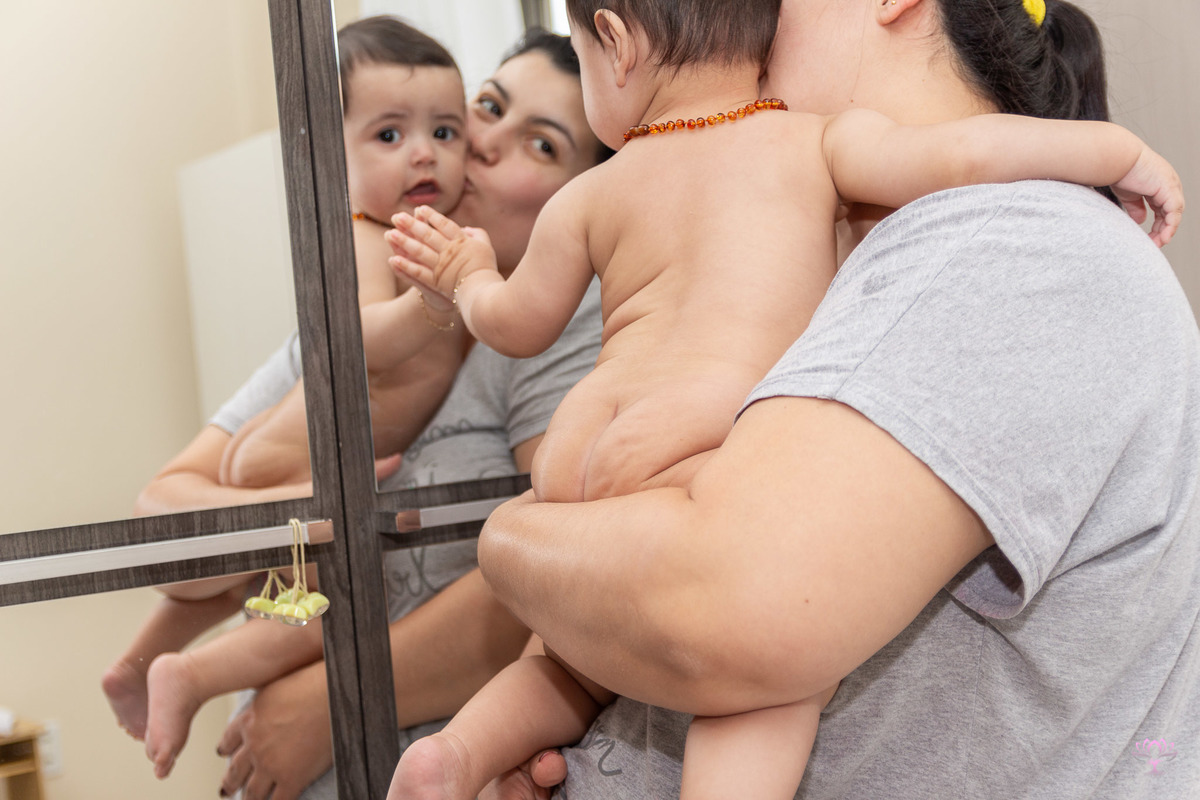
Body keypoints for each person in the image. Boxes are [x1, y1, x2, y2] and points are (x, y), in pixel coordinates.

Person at [382, 0, 1183, 797]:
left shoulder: (1008, 242)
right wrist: (1116, 151)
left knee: (619, 669)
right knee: (754, 702)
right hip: (675, 455)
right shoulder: (821, 173)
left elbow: (735, 615)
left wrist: (513, 537)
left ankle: (457, 754)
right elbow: (969, 151)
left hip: (581, 446)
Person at [145, 30, 611, 800]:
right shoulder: (366, 285)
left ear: (585, 199)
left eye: (541, 143)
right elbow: (166, 517)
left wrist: (335, 699)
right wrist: (308, 504)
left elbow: (564, 572)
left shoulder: (568, 323)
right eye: (488, 106)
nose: (482, 141)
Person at [100, 15, 472, 779]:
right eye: (390, 134)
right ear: (332, 156)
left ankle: (141, 662)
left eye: (445, 130)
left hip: (278, 452)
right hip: (288, 459)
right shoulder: (367, 236)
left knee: (263, 579)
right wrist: (431, 305)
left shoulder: (413, 234)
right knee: (325, 605)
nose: (424, 152)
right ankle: (190, 675)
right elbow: (361, 337)